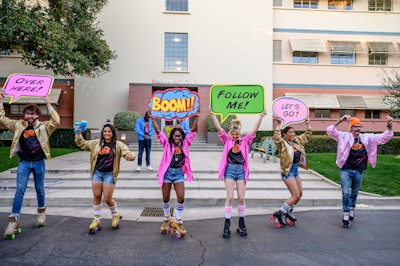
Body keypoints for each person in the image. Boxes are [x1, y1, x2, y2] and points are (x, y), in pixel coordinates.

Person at [0, 92, 60, 239]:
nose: (30, 116)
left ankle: (41, 213)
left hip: (39, 162)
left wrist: (48, 103)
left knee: (40, 189)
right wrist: (1, 101)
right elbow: (2, 118)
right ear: (24, 115)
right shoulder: (18, 125)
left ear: (37, 115)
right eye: (27, 113)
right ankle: (13, 221)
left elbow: (57, 121)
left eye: (32, 114)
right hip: (24, 163)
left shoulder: (44, 127)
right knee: (20, 190)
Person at [327, 115, 393, 228]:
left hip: (359, 170)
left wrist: (389, 125)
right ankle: (346, 213)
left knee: (354, 193)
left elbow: (384, 137)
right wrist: (340, 120)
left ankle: (352, 208)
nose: (358, 128)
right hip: (345, 170)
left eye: (359, 126)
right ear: (351, 128)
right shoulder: (343, 136)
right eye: (355, 126)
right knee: (346, 193)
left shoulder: (367, 138)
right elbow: (330, 130)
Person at [210, 108, 267, 238]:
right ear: (231, 133)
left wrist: (261, 116)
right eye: (233, 134)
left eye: (237, 134)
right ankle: (227, 224)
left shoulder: (245, 141)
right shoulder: (227, 140)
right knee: (230, 197)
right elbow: (219, 128)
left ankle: (241, 223)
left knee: (241, 198)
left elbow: (254, 130)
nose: (235, 136)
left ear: (240, 133)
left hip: (241, 170)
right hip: (229, 170)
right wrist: (213, 115)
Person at [75, 119, 135, 233]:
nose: (107, 133)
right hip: (97, 173)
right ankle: (96, 219)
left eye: (109, 131)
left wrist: (129, 156)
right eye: (105, 131)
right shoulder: (96, 143)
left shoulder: (118, 145)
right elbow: (82, 144)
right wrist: (78, 133)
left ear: (113, 133)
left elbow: (127, 152)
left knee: (107, 198)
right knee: (97, 196)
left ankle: (115, 214)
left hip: (109, 174)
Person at [152, 114, 199, 237]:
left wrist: (197, 116)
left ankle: (178, 221)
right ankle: (167, 218)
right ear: (171, 136)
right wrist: (152, 119)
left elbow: (193, 130)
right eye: (175, 135)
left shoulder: (185, 143)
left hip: (178, 173)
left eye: (179, 135)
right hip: (167, 173)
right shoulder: (167, 144)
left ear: (182, 136)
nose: (177, 137)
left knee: (181, 197)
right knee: (166, 198)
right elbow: (158, 132)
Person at [272, 117, 312, 227]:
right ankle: (280, 213)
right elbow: (276, 137)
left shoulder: (296, 141)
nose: (293, 134)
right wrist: (278, 125)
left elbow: (307, 136)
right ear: (285, 134)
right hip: (287, 171)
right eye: (290, 132)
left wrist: (307, 125)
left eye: (294, 132)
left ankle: (288, 211)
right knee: (295, 195)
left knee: (300, 194)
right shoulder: (282, 143)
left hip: (295, 170)